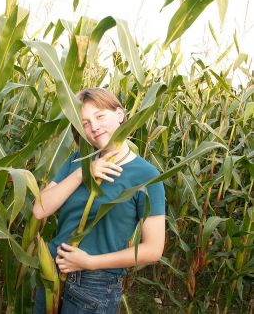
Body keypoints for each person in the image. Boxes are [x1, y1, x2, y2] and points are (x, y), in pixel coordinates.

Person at [33, 88, 165, 313]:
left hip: (95, 287)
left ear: (120, 115)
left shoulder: (146, 175)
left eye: (100, 116)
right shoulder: (77, 161)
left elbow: (153, 249)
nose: (93, 127)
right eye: (84, 122)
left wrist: (89, 262)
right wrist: (83, 173)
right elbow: (39, 209)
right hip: (51, 274)